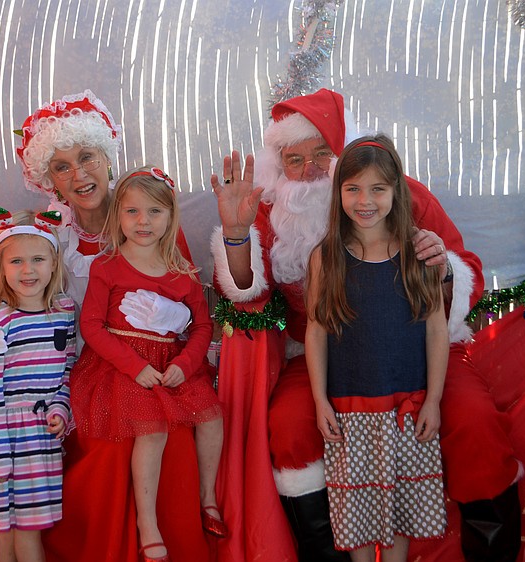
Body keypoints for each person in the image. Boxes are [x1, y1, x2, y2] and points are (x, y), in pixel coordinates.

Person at [209, 88, 500, 562]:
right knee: (289, 427)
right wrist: (237, 234)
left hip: (414, 352)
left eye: (322, 155)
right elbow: (247, 293)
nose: (309, 170)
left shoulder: (398, 194)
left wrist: (444, 267)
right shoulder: (269, 209)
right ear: (278, 163)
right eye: (294, 159)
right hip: (324, 358)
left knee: (475, 421)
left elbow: (463, 274)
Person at [0, 90, 213, 562]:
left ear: (106, 157)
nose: (78, 174)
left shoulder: (147, 216)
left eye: (86, 158)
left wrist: (175, 318)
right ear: (49, 180)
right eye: (62, 166)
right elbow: (16, 289)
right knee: (106, 444)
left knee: (170, 435)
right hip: (77, 369)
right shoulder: (50, 234)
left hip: (154, 364)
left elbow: (189, 299)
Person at [70, 167, 226, 562]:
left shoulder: (182, 271)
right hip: (122, 367)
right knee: (152, 430)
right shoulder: (107, 267)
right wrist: (133, 366)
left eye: (155, 212)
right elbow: (91, 326)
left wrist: (188, 364)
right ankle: (147, 524)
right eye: (133, 212)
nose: (144, 222)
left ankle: (208, 498)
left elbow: (202, 325)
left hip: (170, 365)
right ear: (117, 216)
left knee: (211, 416)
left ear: (171, 216)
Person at [306, 135, 448, 561]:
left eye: (377, 189)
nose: (364, 200)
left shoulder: (417, 254)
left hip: (406, 407)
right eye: (353, 188)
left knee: (402, 514)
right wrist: (319, 401)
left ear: (395, 192)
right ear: (339, 193)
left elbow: (436, 330)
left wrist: (434, 400)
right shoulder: (327, 257)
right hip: (350, 411)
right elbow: (316, 330)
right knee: (359, 519)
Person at [0, 207, 76, 562]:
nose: (28, 270)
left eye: (37, 259)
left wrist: (62, 411)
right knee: (16, 527)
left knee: (19, 526)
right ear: (1, 267)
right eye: (16, 261)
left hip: (44, 436)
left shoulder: (64, 313)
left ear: (53, 263)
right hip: (9, 438)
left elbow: (67, 373)